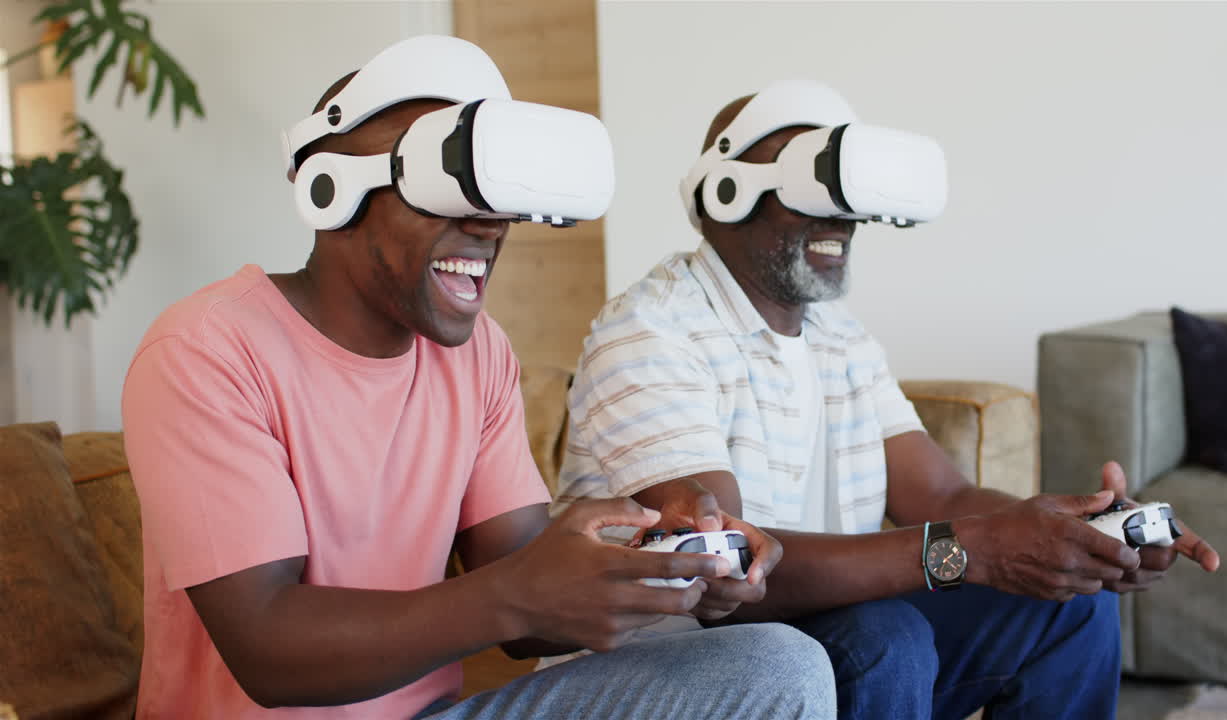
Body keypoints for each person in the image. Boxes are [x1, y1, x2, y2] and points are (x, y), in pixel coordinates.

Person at [120, 36, 836, 719]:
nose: (493, 225)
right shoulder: (206, 350)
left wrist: (675, 579)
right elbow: (267, 649)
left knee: (779, 664)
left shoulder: (477, 354)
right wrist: (516, 595)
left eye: (496, 196)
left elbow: (528, 604)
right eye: (448, 188)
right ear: (331, 189)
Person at [553, 79, 1222, 720]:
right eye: (815, 185)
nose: (842, 214)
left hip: (838, 639)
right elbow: (727, 571)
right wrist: (971, 549)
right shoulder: (650, 330)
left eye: (849, 190)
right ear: (726, 194)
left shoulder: (841, 336)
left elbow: (945, 501)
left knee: (1069, 604)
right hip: (682, 670)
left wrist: (1076, 536)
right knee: (884, 635)